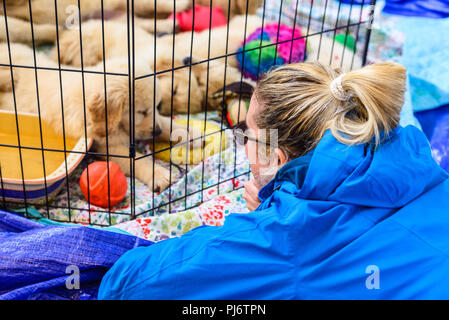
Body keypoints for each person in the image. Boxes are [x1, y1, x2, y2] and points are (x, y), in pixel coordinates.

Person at [98, 61, 449, 299]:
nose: (243, 144)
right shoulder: (427, 170)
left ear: (277, 158)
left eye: (246, 134)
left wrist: (270, 214)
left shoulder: (285, 235)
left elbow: (125, 284)